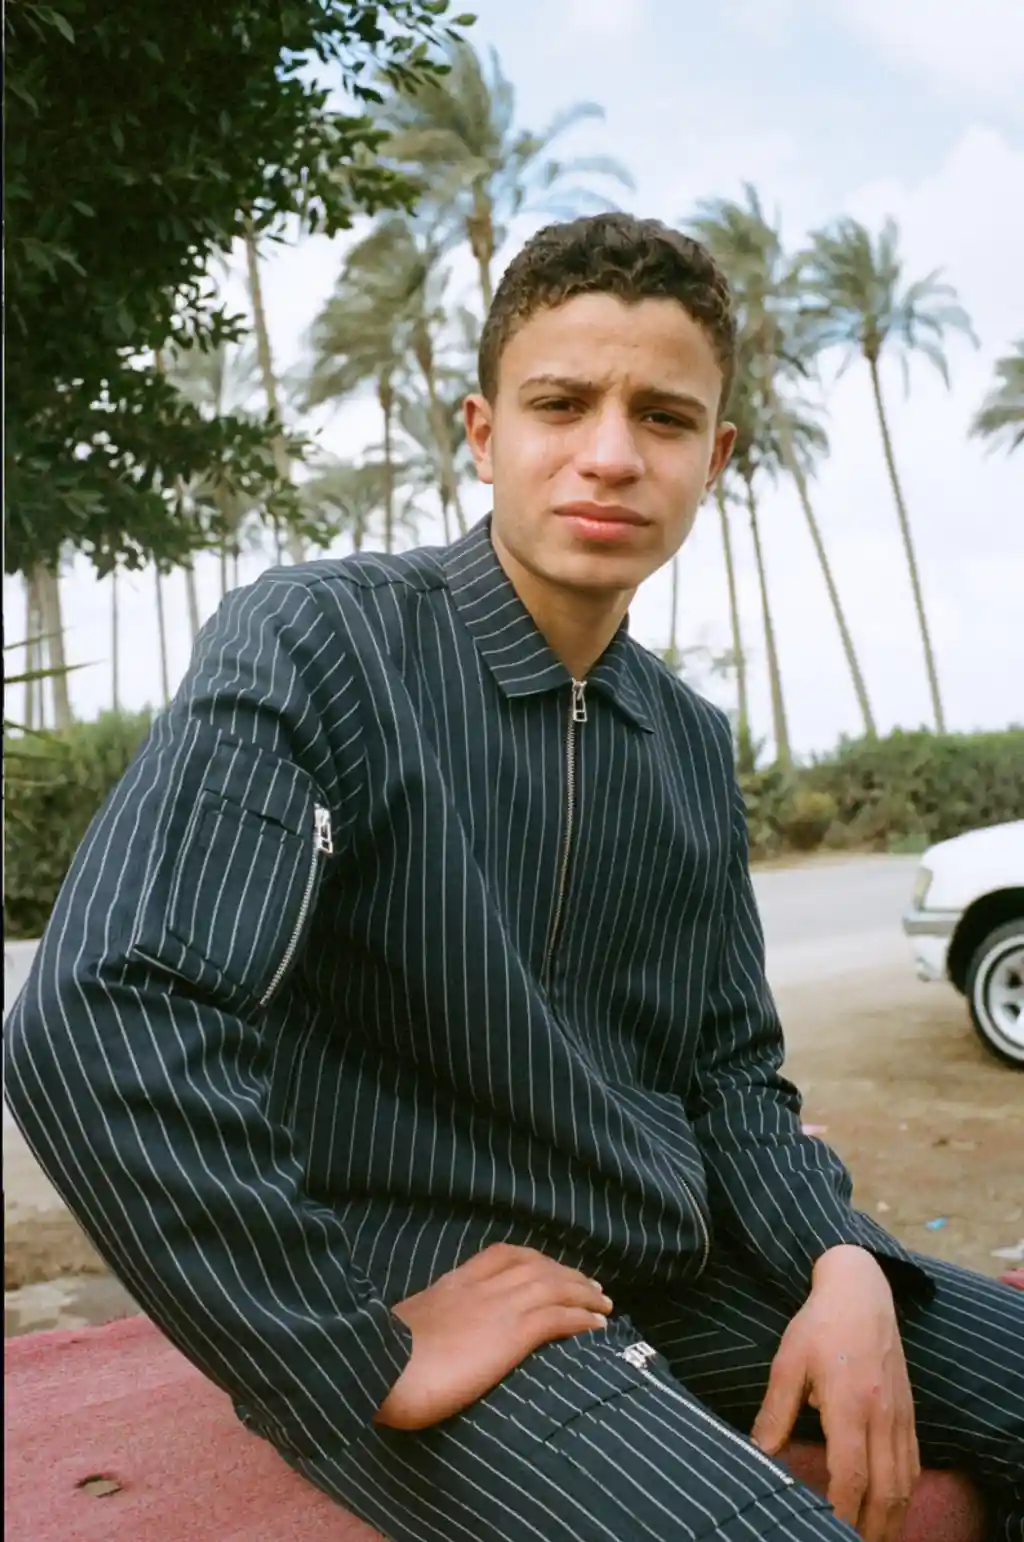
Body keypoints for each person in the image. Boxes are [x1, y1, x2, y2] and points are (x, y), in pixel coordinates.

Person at [4, 213, 1022, 1542]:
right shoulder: (321, 645)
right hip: (413, 1280)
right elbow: (105, 1010)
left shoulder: (687, 739)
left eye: (662, 417)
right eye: (561, 403)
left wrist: (845, 1260)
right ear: (483, 434)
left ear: (714, 458)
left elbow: (728, 1071)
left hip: (669, 1261)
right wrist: (348, 1348)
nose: (611, 453)